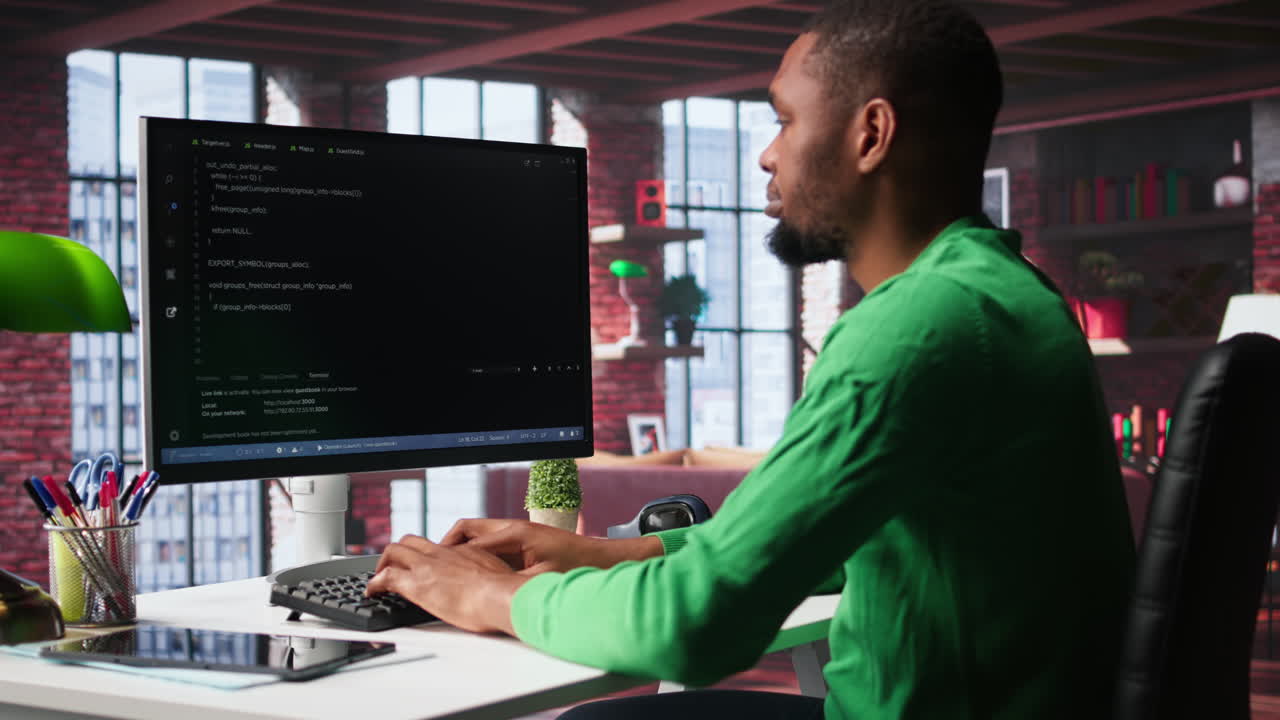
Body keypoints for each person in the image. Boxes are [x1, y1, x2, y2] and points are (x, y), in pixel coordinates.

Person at [365, 1, 1137, 717]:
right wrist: (604, 552)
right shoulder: (1006, 294)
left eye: (784, 120)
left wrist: (485, 598)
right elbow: (836, 550)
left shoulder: (918, 326)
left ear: (871, 134)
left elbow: (696, 628)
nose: (767, 156)